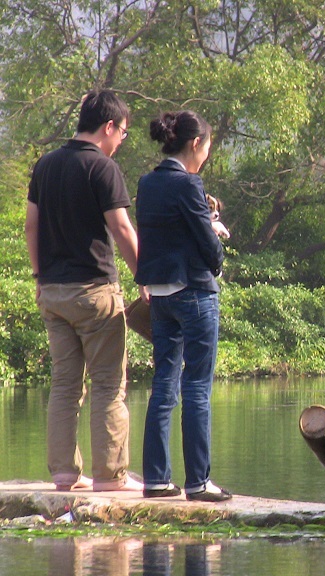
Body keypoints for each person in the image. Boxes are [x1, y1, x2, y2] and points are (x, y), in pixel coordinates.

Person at [25, 89, 143, 492]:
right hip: (94, 291)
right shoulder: (102, 168)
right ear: (108, 126)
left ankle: (63, 473)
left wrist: (40, 278)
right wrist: (144, 277)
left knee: (64, 385)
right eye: (123, 133)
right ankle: (110, 476)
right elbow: (122, 228)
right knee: (109, 385)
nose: (121, 141)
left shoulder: (45, 165)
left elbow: (31, 226)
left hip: (53, 293)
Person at [135, 110, 232, 502]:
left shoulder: (148, 182)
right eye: (207, 147)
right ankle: (198, 482)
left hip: (160, 294)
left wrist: (204, 224)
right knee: (196, 387)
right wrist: (218, 246)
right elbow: (208, 248)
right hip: (194, 291)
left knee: (163, 386)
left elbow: (165, 234)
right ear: (195, 144)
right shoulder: (188, 184)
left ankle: (156, 480)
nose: (206, 155)